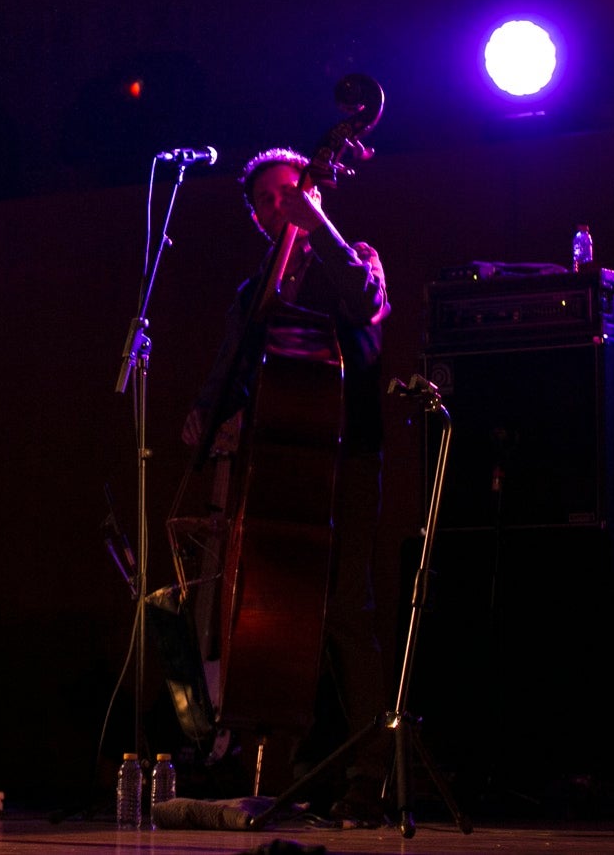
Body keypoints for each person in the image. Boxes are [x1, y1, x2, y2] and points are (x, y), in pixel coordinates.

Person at [182, 147, 391, 826]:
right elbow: (233, 366)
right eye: (266, 201)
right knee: (283, 617)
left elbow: (365, 304)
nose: (280, 206)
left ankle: (369, 775)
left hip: (347, 454)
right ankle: (285, 771)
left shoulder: (354, 255)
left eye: (288, 192)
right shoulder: (255, 292)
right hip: (278, 465)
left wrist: (317, 224)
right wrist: (206, 412)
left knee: (347, 613)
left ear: (315, 191)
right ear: (255, 217)